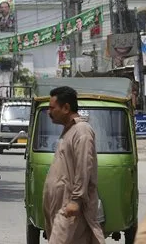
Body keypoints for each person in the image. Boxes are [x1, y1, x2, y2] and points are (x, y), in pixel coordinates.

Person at [42, 86, 104, 244]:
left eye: (52, 108)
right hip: (60, 207)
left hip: (69, 206)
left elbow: (84, 166)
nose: (49, 112)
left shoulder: (81, 131)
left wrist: (76, 200)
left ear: (66, 108)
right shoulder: (69, 131)